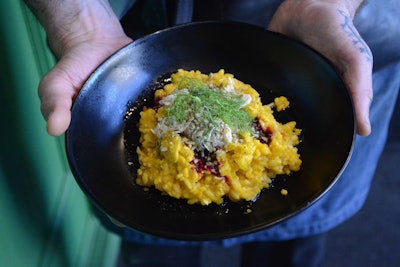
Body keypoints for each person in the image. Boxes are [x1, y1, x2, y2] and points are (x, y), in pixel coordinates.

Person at [22, 0, 400, 266]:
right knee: (158, 253)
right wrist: (78, 21)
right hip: (134, 32)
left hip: (326, 43)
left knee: (291, 249)